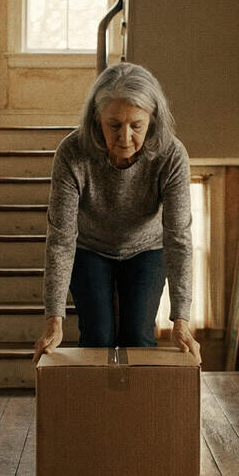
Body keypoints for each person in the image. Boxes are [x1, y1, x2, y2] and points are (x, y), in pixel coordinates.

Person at [33, 62, 201, 362]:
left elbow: (179, 239)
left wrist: (181, 320)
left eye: (136, 125)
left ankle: (137, 409)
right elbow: (60, 240)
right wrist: (54, 319)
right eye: (114, 125)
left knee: (137, 337)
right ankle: (98, 408)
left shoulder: (172, 155)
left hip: (147, 248)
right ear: (97, 120)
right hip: (90, 248)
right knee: (98, 337)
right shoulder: (72, 153)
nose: (124, 138)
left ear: (152, 120)